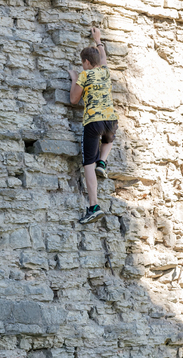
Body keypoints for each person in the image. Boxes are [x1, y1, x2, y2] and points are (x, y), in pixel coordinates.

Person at [68, 26, 120, 224]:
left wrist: (75, 79)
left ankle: (93, 206)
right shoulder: (105, 71)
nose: (82, 66)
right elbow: (104, 58)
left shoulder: (85, 75)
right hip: (111, 120)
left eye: (83, 63)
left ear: (87, 63)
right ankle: (103, 162)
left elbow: (74, 99)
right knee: (108, 140)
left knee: (87, 163)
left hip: (93, 121)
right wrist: (98, 39)